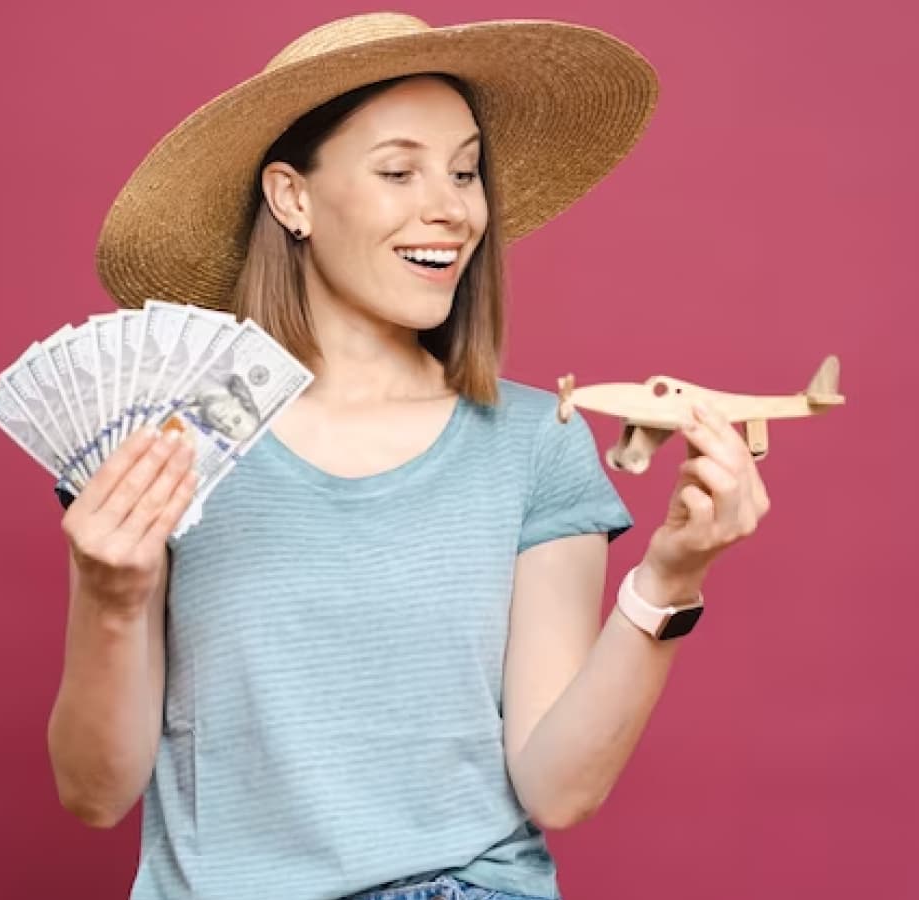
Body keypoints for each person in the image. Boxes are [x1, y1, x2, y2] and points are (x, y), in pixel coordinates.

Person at [47, 13, 771, 900]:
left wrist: (671, 579)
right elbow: (93, 794)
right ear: (292, 198)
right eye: (399, 171)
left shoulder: (535, 442)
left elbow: (560, 787)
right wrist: (111, 597)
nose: (454, 208)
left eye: (465, 172)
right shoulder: (170, 447)